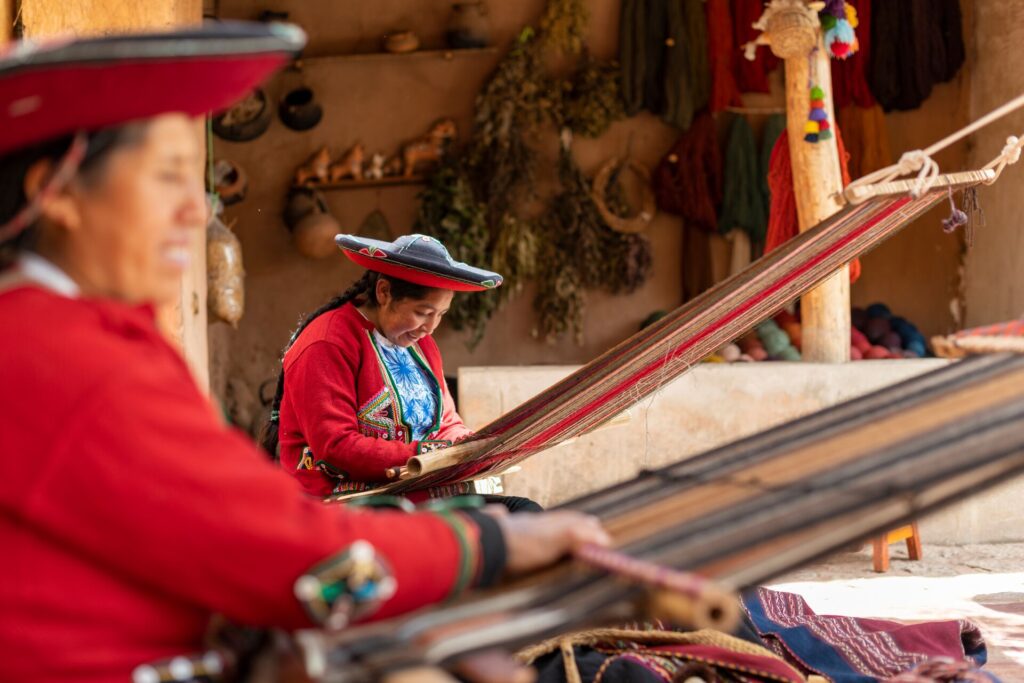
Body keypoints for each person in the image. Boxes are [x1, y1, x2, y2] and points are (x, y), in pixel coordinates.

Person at [0, 24, 608, 683]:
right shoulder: (64, 357)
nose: (194, 212)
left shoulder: (70, 333)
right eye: (167, 176)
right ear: (55, 192)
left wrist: (458, 452)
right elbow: (277, 550)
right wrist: (485, 545)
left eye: (196, 183)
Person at [261, 233, 541, 510]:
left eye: (440, 315)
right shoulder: (326, 343)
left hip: (418, 493)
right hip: (349, 502)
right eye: (423, 312)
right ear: (384, 292)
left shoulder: (421, 344)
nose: (431, 328)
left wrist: (471, 447)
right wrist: (429, 455)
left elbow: (446, 421)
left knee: (523, 512)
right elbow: (336, 447)